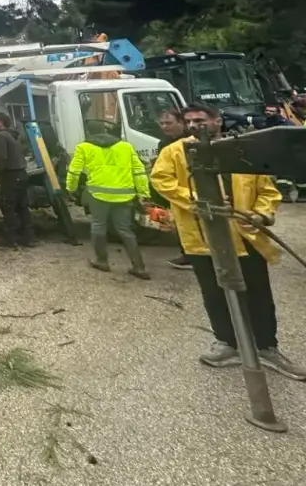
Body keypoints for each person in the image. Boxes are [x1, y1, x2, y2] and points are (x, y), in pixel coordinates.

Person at [151, 103, 305, 380]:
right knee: (214, 293)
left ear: (217, 121)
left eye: (200, 120)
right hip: (201, 238)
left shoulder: (242, 151)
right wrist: (197, 200)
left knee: (258, 293)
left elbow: (266, 189)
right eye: (189, 121)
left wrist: (261, 214)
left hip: (245, 236)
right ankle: (226, 343)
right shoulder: (174, 152)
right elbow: (161, 180)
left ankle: (267, 347)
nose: (194, 126)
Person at [65, 120, 150, 279]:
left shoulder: (84, 147)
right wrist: (143, 193)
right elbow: (139, 171)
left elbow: (74, 170)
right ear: (105, 130)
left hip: (98, 195)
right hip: (125, 195)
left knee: (98, 225)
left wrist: (71, 188)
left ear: (89, 133)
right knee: (125, 229)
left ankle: (102, 261)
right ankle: (139, 267)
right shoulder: (126, 146)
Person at [0, 112, 34, 249]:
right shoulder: (13, 136)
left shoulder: (0, 136)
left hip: (10, 175)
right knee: (22, 207)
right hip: (21, 173)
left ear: (0, 122)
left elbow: (1, 157)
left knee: (8, 207)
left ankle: (10, 240)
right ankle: (28, 238)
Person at [156, 109, 194, 270]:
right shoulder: (164, 143)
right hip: (174, 190)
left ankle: (194, 256)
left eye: (169, 123)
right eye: (162, 123)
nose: (165, 126)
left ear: (181, 122)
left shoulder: (190, 141)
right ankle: (188, 255)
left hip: (191, 189)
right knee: (180, 224)